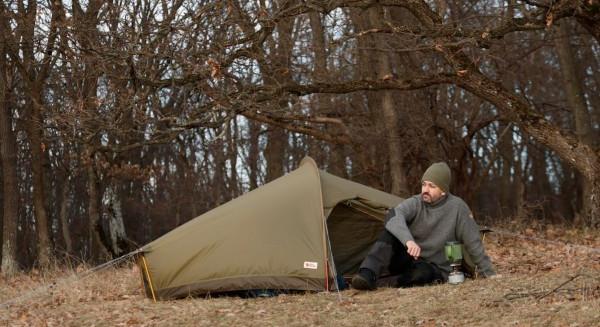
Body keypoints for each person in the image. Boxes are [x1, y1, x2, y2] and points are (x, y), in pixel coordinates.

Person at [351, 162, 495, 290]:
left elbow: (473, 242)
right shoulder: (416, 202)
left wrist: (489, 274)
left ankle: (379, 285)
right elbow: (393, 216)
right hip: (409, 258)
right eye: (424, 184)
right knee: (390, 231)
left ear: (443, 190)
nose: (425, 190)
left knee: (422, 274)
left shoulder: (458, 208)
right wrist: (408, 241)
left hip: (433, 267)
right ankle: (367, 274)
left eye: (432, 186)